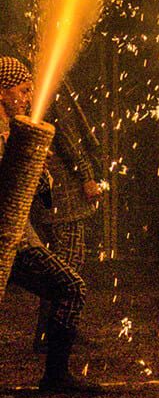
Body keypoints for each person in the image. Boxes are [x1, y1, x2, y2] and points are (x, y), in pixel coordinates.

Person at [0, 56, 102, 394]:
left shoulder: (16, 130)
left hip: (17, 238)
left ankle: (56, 375)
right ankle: (56, 376)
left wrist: (37, 171)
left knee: (69, 287)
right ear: (3, 92)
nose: (28, 98)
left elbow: (37, 197)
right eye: (23, 90)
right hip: (11, 239)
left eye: (31, 91)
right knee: (71, 287)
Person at [30, 79, 103, 353]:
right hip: (64, 192)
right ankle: (56, 332)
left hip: (52, 193)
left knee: (62, 264)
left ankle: (54, 331)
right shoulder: (52, 86)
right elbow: (68, 139)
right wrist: (86, 176)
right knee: (68, 265)